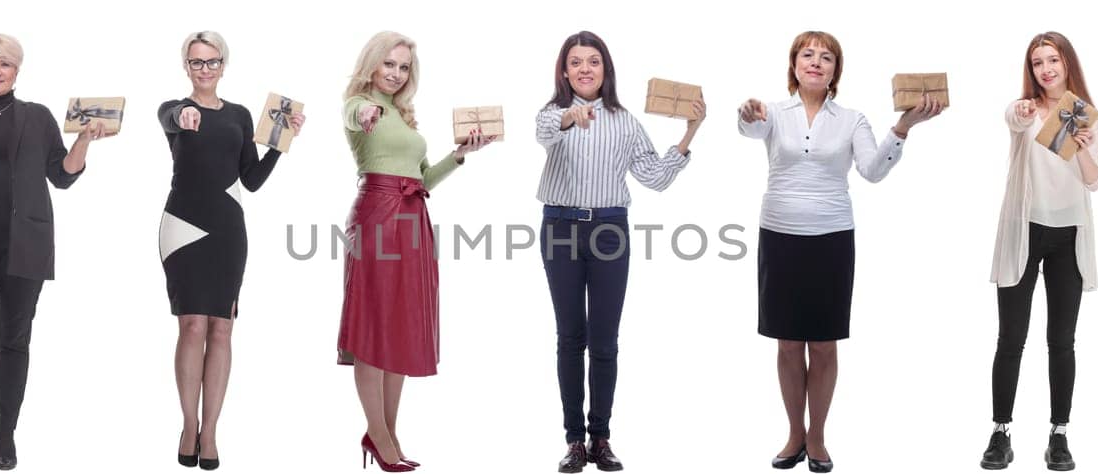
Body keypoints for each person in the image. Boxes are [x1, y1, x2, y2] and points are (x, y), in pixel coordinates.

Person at [736, 30, 942, 474]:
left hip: (831, 238)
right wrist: (747, 113)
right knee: (788, 342)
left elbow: (871, 171)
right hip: (781, 234)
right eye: (807, 55)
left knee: (824, 343)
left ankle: (818, 436)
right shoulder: (772, 113)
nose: (816, 62)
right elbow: (749, 127)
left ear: (835, 71)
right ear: (793, 65)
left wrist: (903, 127)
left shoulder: (852, 119)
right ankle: (794, 433)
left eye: (826, 57)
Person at [0, 32, 112, 471]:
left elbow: (62, 175)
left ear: (16, 71)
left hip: (24, 248)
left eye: (4, 64)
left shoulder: (38, 116)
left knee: (15, 343)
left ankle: (5, 434)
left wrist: (84, 142)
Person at [533, 30, 705, 474]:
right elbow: (544, 133)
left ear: (605, 69)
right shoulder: (553, 113)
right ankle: (574, 441)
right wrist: (572, 118)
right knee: (570, 336)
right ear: (564, 70)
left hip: (610, 230)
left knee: (605, 340)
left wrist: (689, 133)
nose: (584, 69)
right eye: (575, 62)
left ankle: (601, 437)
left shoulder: (625, 121)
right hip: (561, 227)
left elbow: (654, 177)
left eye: (593, 61)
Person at [336, 30, 495, 473]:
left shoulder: (403, 114)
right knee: (374, 325)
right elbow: (354, 114)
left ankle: (386, 431)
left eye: (403, 67)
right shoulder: (359, 104)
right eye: (389, 64)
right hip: (376, 215)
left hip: (411, 216)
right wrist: (365, 110)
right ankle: (380, 435)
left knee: (402, 324)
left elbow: (422, 179)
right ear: (372, 63)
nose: (396, 73)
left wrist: (459, 155)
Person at [156, 30, 304, 471]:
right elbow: (172, 117)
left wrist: (280, 143)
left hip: (227, 228)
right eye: (197, 62)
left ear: (224, 65)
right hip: (182, 225)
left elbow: (252, 180)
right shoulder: (171, 110)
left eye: (212, 61)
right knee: (192, 327)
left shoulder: (240, 116)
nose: (205, 69)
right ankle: (187, 425)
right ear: (186, 66)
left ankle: (211, 431)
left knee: (222, 327)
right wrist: (184, 115)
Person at [981, 31, 1098, 472]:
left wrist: (1085, 150)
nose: (1046, 69)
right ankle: (1000, 432)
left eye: (1053, 60)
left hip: (1068, 235)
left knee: (1062, 341)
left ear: (1067, 63)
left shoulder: (1085, 116)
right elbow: (1013, 120)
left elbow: (1094, 180)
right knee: (1010, 337)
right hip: (1024, 231)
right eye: (1038, 63)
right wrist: (1018, 112)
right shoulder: (1026, 110)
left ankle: (1059, 435)